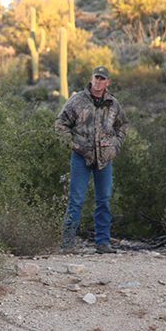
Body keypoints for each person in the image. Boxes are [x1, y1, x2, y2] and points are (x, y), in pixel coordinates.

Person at [55, 66, 129, 254]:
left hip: (105, 159)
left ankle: (102, 243)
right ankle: (67, 243)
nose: (98, 81)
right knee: (76, 199)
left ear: (107, 82)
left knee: (103, 200)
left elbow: (122, 125)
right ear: (91, 79)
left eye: (102, 79)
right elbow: (60, 124)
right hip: (81, 157)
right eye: (96, 78)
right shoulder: (77, 101)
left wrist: (116, 145)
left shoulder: (113, 104)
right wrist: (72, 144)